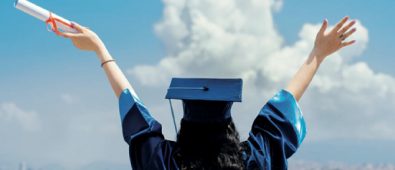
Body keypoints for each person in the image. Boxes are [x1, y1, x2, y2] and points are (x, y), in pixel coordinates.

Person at [59, 16, 357, 170]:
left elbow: (135, 113)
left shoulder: (165, 163)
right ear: (228, 126)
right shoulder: (255, 160)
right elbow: (283, 107)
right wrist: (318, 54)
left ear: (186, 124)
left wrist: (100, 49)